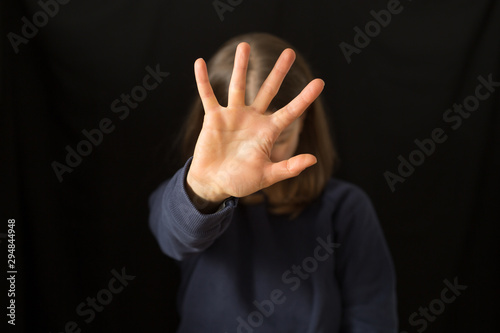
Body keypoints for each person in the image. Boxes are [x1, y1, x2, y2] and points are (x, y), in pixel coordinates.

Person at [149, 33, 398, 332]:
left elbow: (372, 316)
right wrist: (205, 190)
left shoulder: (345, 208)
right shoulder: (190, 200)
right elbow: (173, 236)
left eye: (280, 138)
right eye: (239, 147)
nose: (260, 159)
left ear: (304, 122)